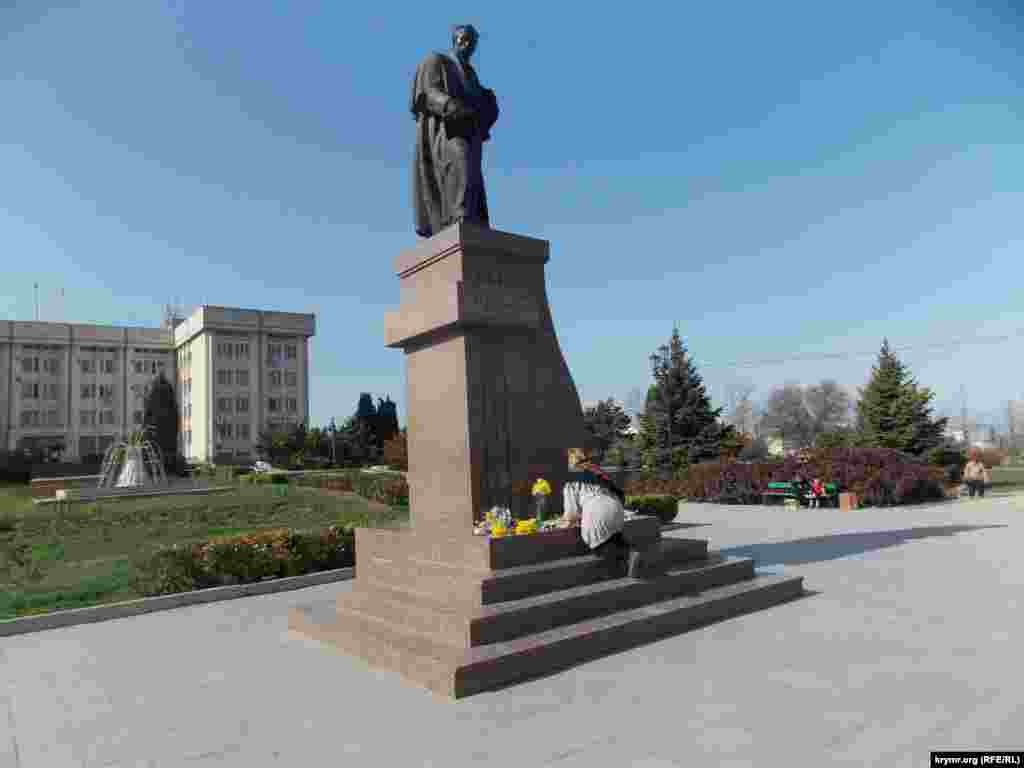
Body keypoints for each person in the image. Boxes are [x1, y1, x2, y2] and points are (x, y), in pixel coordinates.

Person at [410, 24, 500, 238]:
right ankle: (460, 218)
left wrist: (487, 100)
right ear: (454, 40)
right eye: (463, 39)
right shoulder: (436, 61)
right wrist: (450, 105)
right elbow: (428, 92)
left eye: (471, 42)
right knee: (461, 160)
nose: (467, 44)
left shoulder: (470, 73)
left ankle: (467, 220)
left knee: (471, 176)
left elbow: (477, 101)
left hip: (470, 131)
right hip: (446, 133)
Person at [561, 449, 642, 577]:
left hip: (597, 511)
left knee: (600, 544)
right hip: (616, 508)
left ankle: (627, 558)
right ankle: (633, 552)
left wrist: (565, 524)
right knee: (613, 536)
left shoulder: (571, 482)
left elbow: (571, 513)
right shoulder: (597, 473)